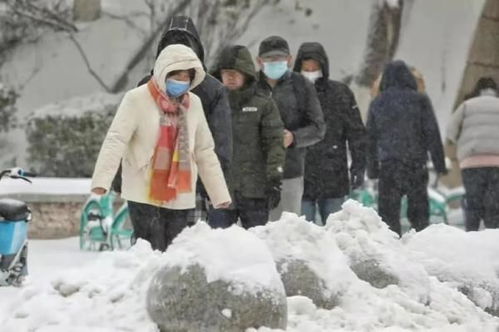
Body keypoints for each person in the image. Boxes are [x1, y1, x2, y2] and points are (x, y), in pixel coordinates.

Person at [91, 44, 231, 251]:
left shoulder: (194, 104)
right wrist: (102, 180)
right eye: (177, 75)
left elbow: (204, 150)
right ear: (164, 72)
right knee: (149, 250)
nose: (181, 82)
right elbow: (116, 139)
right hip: (143, 187)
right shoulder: (136, 99)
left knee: (174, 252)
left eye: (186, 77)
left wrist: (219, 194)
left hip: (180, 191)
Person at [113, 16, 232, 225]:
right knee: (150, 248)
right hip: (147, 184)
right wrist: (120, 175)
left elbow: (217, 146)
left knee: (183, 248)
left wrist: (210, 188)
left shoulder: (212, 91)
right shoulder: (145, 86)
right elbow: (128, 135)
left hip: (189, 187)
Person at [366, 60, 446, 236]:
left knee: (388, 215)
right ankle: (420, 245)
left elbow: (371, 139)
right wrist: (439, 163)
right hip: (415, 164)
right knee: (419, 212)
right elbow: (432, 132)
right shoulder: (420, 100)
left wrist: (372, 170)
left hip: (389, 165)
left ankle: (392, 249)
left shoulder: (378, 103)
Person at [209, 45, 285, 229]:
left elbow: (274, 143)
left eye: (236, 73)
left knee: (256, 244)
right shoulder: (211, 104)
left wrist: (274, 179)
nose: (231, 77)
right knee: (218, 247)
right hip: (220, 191)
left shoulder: (263, 104)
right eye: (226, 73)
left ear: (247, 74)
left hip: (255, 190)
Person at [293, 42, 367, 224]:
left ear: (323, 67)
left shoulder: (340, 93)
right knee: (301, 235)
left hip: (332, 175)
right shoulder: (290, 93)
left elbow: (356, 133)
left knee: (336, 232)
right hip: (299, 175)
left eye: (315, 68)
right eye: (306, 68)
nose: (310, 71)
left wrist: (359, 165)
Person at [256, 35, 326, 221]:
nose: (275, 62)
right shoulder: (250, 86)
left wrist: (294, 137)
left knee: (286, 229)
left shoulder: (301, 85)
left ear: (289, 59)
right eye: (270, 58)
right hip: (253, 173)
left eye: (279, 58)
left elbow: (318, 127)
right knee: (253, 232)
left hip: (290, 171)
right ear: (259, 61)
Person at [446, 77, 499, 231]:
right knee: (494, 205)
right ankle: (493, 237)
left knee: (473, 202)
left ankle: (471, 235)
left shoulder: (466, 106)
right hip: (497, 163)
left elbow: (450, 132)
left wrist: (461, 141)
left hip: (472, 162)